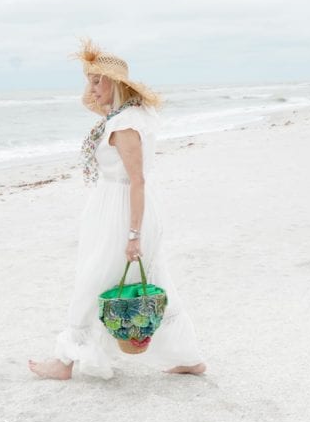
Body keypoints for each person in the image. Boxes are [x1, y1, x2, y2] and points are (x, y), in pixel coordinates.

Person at [28, 39, 207, 380]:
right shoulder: (129, 116)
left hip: (123, 211)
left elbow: (136, 181)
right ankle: (190, 357)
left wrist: (133, 235)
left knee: (91, 279)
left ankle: (64, 362)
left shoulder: (124, 125)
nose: (91, 88)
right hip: (116, 208)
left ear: (116, 83)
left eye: (97, 80)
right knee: (154, 278)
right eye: (90, 80)